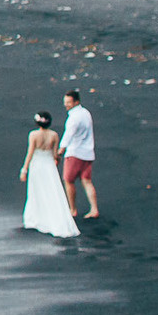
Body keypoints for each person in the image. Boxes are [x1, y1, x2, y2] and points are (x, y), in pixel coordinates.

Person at [20, 112, 79, 238]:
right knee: (52, 191)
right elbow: (55, 154)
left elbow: (30, 153)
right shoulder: (54, 135)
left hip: (37, 165)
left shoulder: (33, 135)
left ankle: (37, 218)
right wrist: (58, 158)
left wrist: (24, 169)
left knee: (36, 191)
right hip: (49, 166)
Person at [61, 89, 99, 218]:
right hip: (88, 153)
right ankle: (94, 209)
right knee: (86, 180)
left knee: (68, 180)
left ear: (76, 102)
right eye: (65, 102)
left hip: (75, 153)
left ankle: (73, 210)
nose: (66, 105)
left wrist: (60, 150)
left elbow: (68, 135)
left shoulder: (74, 118)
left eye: (69, 102)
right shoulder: (86, 113)